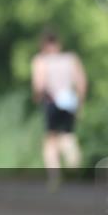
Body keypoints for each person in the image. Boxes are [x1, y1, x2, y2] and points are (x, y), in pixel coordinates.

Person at [31, 28, 87, 172]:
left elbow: (40, 84)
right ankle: (74, 164)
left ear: (43, 45)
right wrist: (80, 104)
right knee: (68, 135)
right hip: (69, 100)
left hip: (52, 100)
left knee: (50, 138)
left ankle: (54, 172)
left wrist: (37, 97)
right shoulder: (71, 59)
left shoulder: (41, 60)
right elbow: (81, 83)